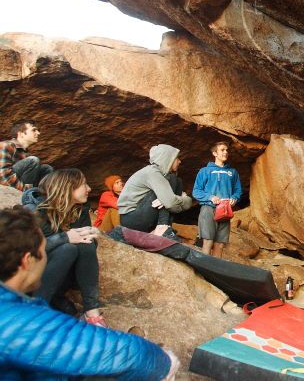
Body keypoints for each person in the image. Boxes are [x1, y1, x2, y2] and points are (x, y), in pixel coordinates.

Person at [0, 206, 179, 380]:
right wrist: (164, 362)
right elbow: (126, 354)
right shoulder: (16, 319)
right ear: (27, 261)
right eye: (43, 250)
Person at [32, 168, 106, 326]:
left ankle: (92, 311)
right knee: (68, 248)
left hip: (66, 279)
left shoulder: (80, 211)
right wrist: (65, 237)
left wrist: (90, 236)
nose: (89, 189)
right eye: (84, 184)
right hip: (38, 278)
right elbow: (29, 251)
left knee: (85, 244)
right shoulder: (37, 211)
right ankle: (36, 309)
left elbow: (87, 250)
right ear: (67, 187)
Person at [117, 144, 192, 237]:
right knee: (171, 181)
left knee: (176, 181)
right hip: (132, 218)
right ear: (168, 159)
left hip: (140, 215)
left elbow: (173, 205)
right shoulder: (152, 173)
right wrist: (183, 199)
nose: (180, 161)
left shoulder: (159, 174)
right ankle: (162, 227)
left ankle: (165, 227)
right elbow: (171, 204)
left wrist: (176, 200)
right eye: (177, 158)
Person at [192, 142, 243, 258]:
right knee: (208, 241)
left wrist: (235, 198)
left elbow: (238, 190)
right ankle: (204, 270)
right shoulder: (204, 171)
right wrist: (210, 197)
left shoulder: (233, 172)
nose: (226, 152)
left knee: (220, 244)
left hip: (225, 210)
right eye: (222, 150)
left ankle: (214, 274)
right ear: (215, 153)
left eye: (227, 150)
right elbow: (196, 191)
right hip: (208, 208)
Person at [0, 119, 53, 191]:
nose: (38, 133)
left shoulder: (26, 153)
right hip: (9, 188)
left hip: (22, 185)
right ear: (21, 134)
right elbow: (3, 176)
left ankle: (41, 194)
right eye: (34, 130)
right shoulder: (6, 145)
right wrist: (26, 189)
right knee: (33, 160)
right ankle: (29, 193)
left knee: (46, 168)